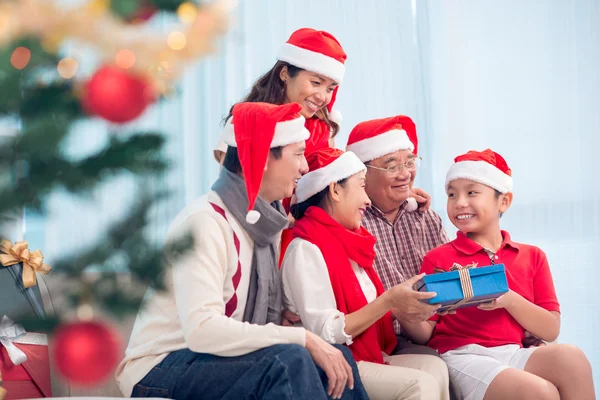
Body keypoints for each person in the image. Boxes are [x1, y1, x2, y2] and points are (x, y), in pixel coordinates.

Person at [116, 102, 369, 400]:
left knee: (337, 357)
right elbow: (202, 330)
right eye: (298, 154)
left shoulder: (267, 225)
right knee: (289, 361)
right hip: (161, 364)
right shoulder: (204, 223)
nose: (305, 166)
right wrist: (300, 337)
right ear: (262, 158)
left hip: (216, 359)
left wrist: (294, 327)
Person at [403, 149, 595, 400]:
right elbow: (425, 332)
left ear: (503, 201)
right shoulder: (438, 258)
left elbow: (550, 330)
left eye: (472, 192)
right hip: (463, 356)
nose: (460, 202)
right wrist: (404, 313)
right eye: (452, 194)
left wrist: (507, 298)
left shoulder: (532, 256)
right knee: (540, 392)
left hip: (514, 352)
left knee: (572, 359)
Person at [282, 147, 450, 400]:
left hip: (366, 353)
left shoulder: (349, 243)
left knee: (435, 367)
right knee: (419, 384)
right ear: (335, 190)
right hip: (331, 361)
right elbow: (326, 332)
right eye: (361, 187)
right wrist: (388, 301)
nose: (367, 200)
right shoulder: (305, 248)